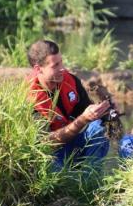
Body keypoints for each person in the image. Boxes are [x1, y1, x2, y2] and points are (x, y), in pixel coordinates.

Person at [26, 39, 110, 169]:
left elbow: (86, 111)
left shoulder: (70, 80)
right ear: (38, 69)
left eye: (61, 62)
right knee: (53, 170)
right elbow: (45, 143)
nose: (62, 68)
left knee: (98, 127)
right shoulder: (29, 99)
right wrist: (83, 120)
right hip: (50, 154)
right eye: (55, 66)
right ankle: (71, 180)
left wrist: (104, 110)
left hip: (73, 143)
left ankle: (91, 178)